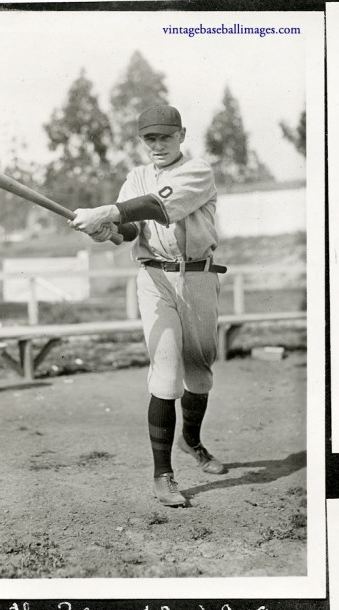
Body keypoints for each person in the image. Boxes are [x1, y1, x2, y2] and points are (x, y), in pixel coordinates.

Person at [70, 105, 227, 507]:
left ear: (181, 135)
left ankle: (192, 442)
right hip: (154, 277)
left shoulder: (199, 171)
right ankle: (163, 474)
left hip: (199, 276)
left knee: (200, 368)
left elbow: (156, 206)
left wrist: (107, 213)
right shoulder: (135, 178)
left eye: (165, 137)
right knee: (167, 371)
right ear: (143, 142)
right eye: (150, 139)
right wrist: (107, 231)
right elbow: (128, 228)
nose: (158, 145)